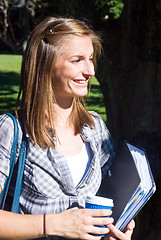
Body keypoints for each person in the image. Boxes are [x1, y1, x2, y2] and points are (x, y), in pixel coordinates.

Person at [0, 16, 135, 240]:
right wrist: (52, 224)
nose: (90, 70)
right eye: (77, 60)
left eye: (91, 59)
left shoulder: (95, 128)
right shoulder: (13, 131)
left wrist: (114, 230)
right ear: (46, 63)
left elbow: (108, 202)